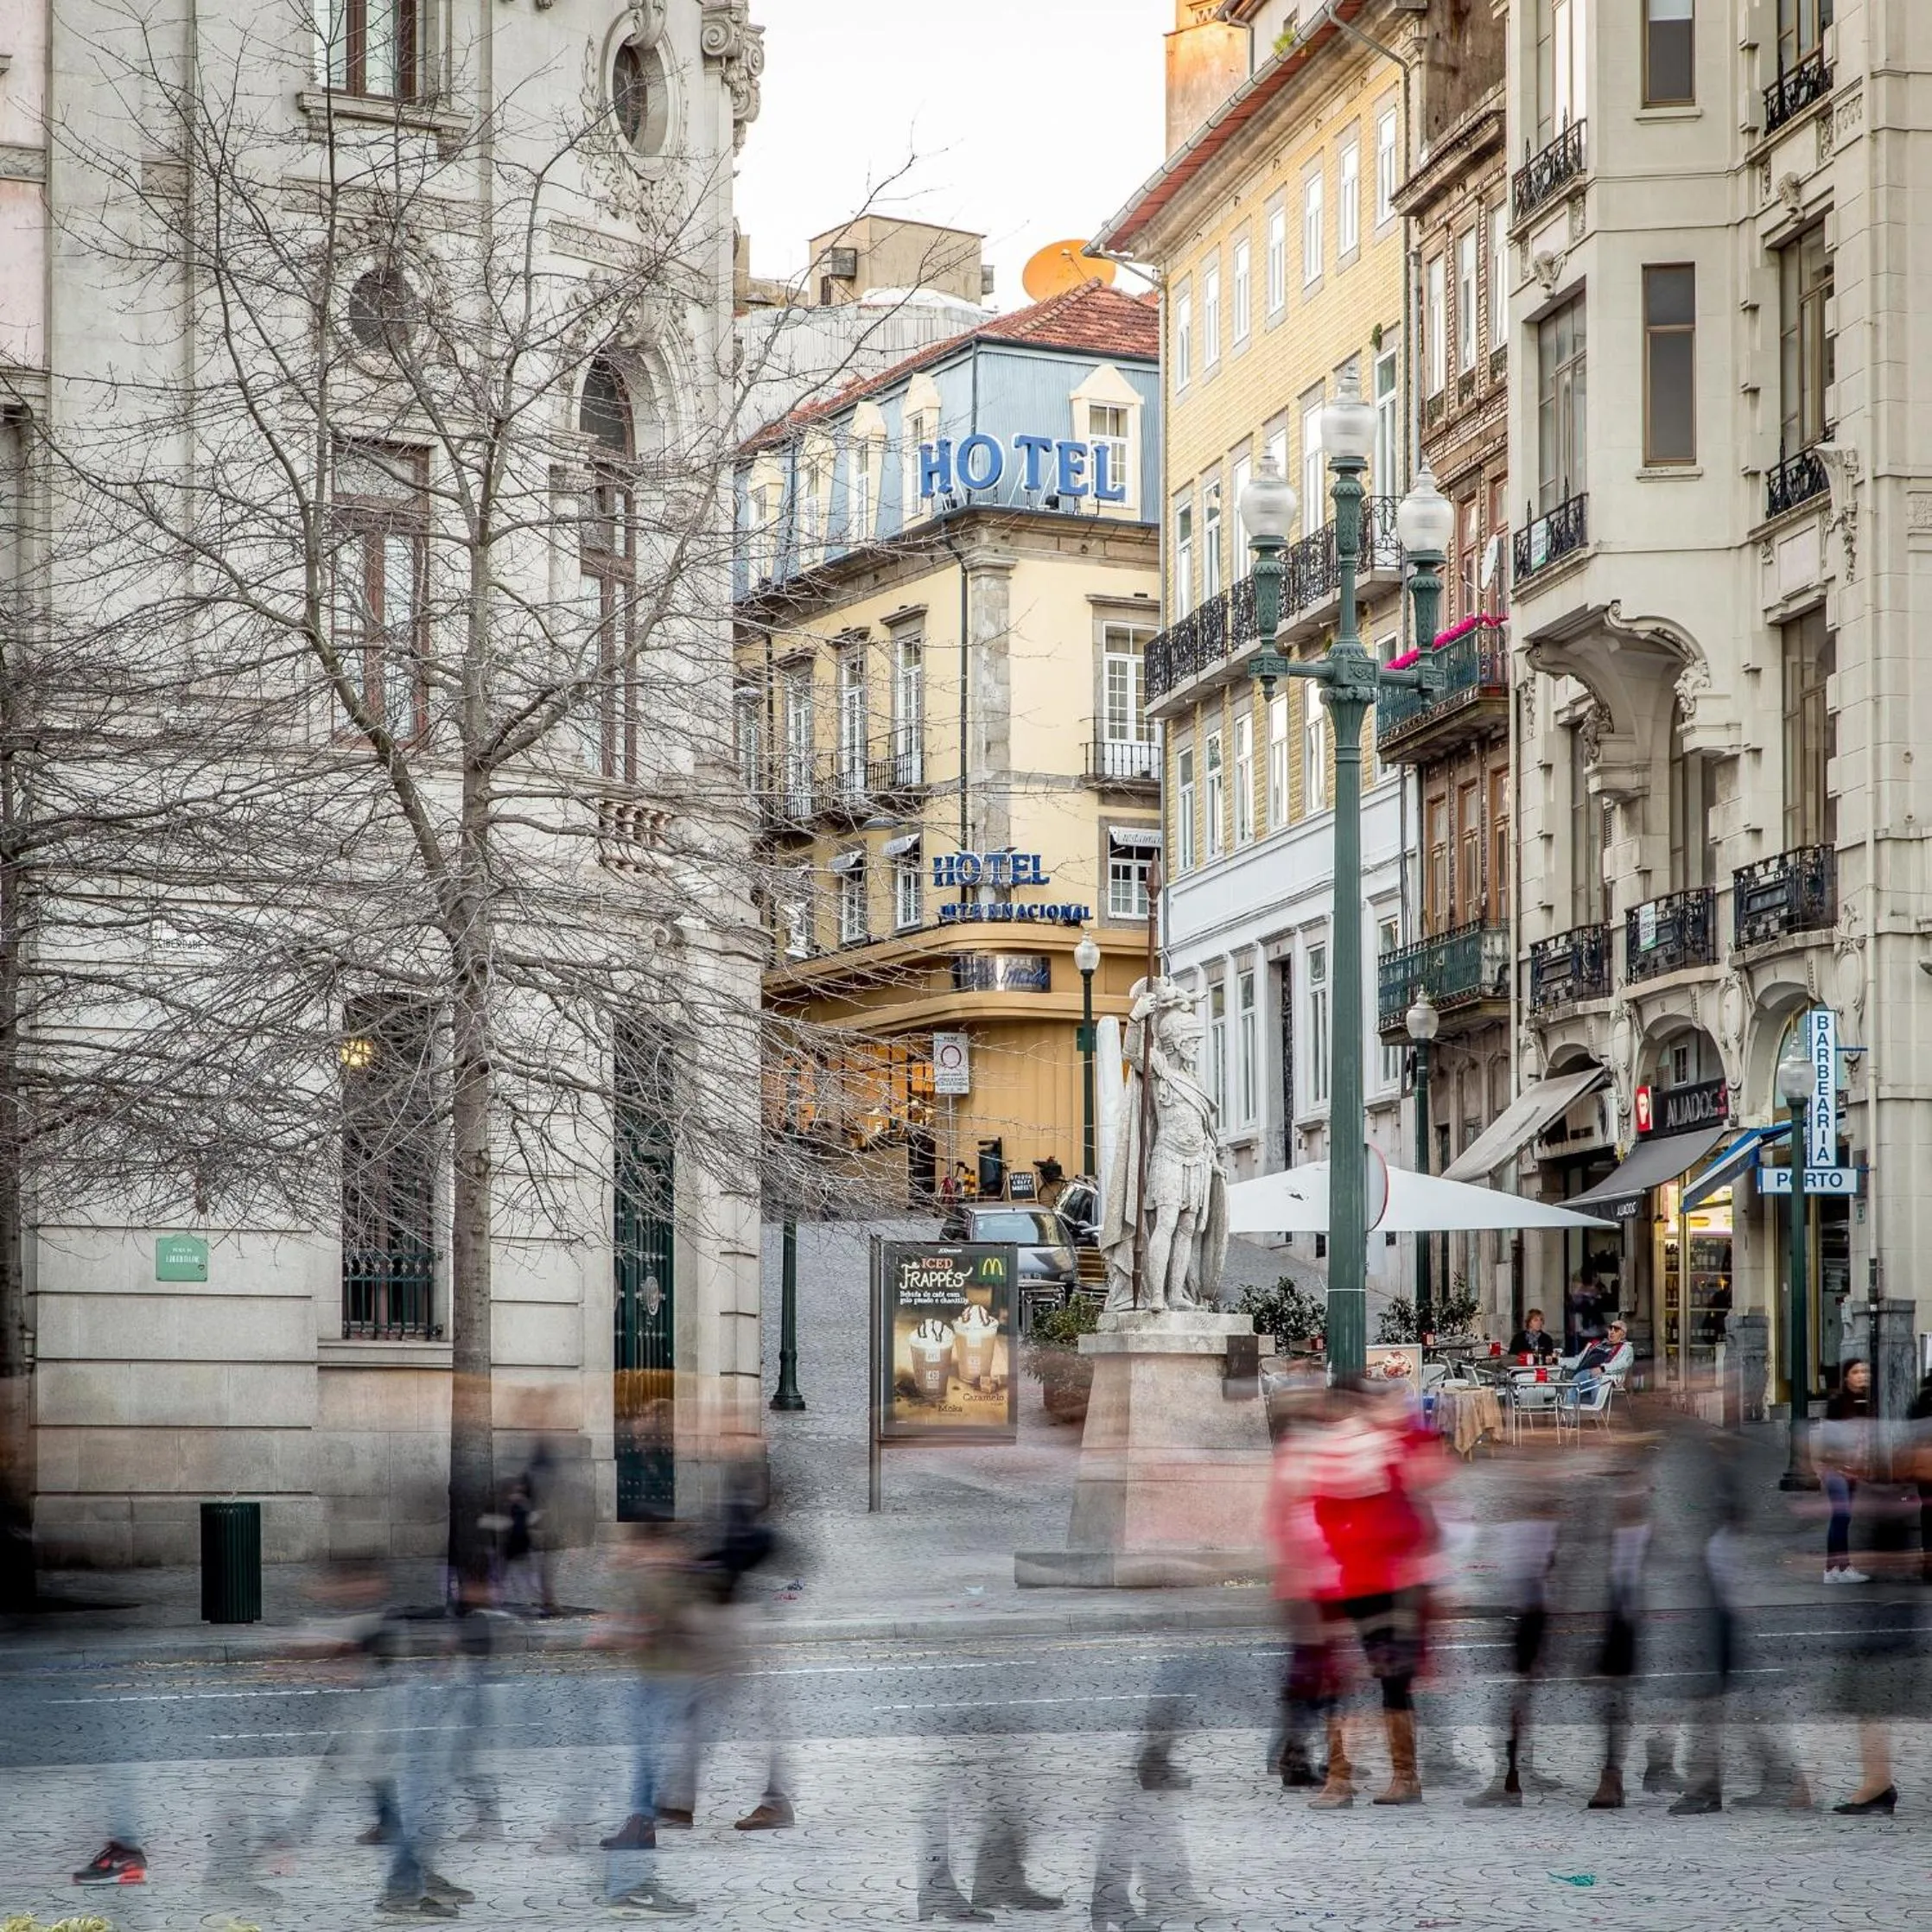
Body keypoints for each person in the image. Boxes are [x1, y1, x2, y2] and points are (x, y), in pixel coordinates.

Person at [1267, 1381, 1445, 1808]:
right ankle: (1360, 1776)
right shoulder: (1358, 1447)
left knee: (1378, 1677)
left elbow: (1417, 1495)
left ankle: (1381, 1776)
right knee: (1355, 1678)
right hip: (1352, 1577)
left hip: (1377, 1578)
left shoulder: (1375, 1446)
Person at [1819, 1360, 1872, 1583]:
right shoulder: (1838, 1402)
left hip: (1851, 1469)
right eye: (1856, 1372)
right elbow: (1831, 1437)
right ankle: (1838, 1568)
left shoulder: (1862, 1401)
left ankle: (1835, 1569)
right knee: (1842, 1516)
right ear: (1846, 1377)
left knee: (1841, 1518)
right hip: (1837, 1468)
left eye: (1864, 1371)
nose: (1861, 1376)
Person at [1563, 1319, 1634, 1389]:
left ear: (1623, 1334)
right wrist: (1556, 1360)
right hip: (1584, 1372)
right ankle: (1571, 1401)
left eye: (1616, 1329)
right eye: (1610, 1328)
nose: (1612, 1332)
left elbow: (1623, 1363)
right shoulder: (1595, 1344)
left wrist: (1602, 1368)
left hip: (1604, 1375)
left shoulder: (1626, 1348)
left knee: (1598, 1383)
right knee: (1573, 1383)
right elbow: (1577, 1361)